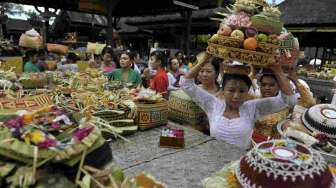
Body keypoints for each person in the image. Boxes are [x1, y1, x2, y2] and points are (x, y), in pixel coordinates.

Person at [181, 52, 296, 149]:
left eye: (242, 91)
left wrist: (277, 70)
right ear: (223, 90)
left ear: (248, 92)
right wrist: (205, 58)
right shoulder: (213, 104)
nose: (236, 96)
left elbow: (288, 100)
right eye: (231, 90)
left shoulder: (253, 107)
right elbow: (186, 84)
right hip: (211, 159)